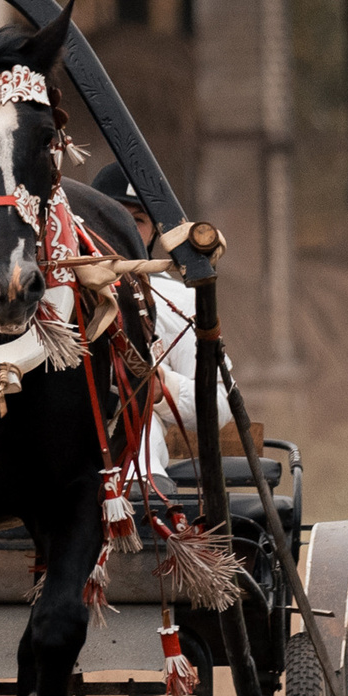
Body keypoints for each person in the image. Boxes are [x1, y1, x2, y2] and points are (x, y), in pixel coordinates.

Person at [89, 162, 235, 476]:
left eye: (138, 220)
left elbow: (220, 404)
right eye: (113, 214)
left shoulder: (178, 301)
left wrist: (162, 389)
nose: (123, 227)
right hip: (56, 436)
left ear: (155, 230)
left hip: (136, 446)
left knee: (138, 438)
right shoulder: (49, 290)